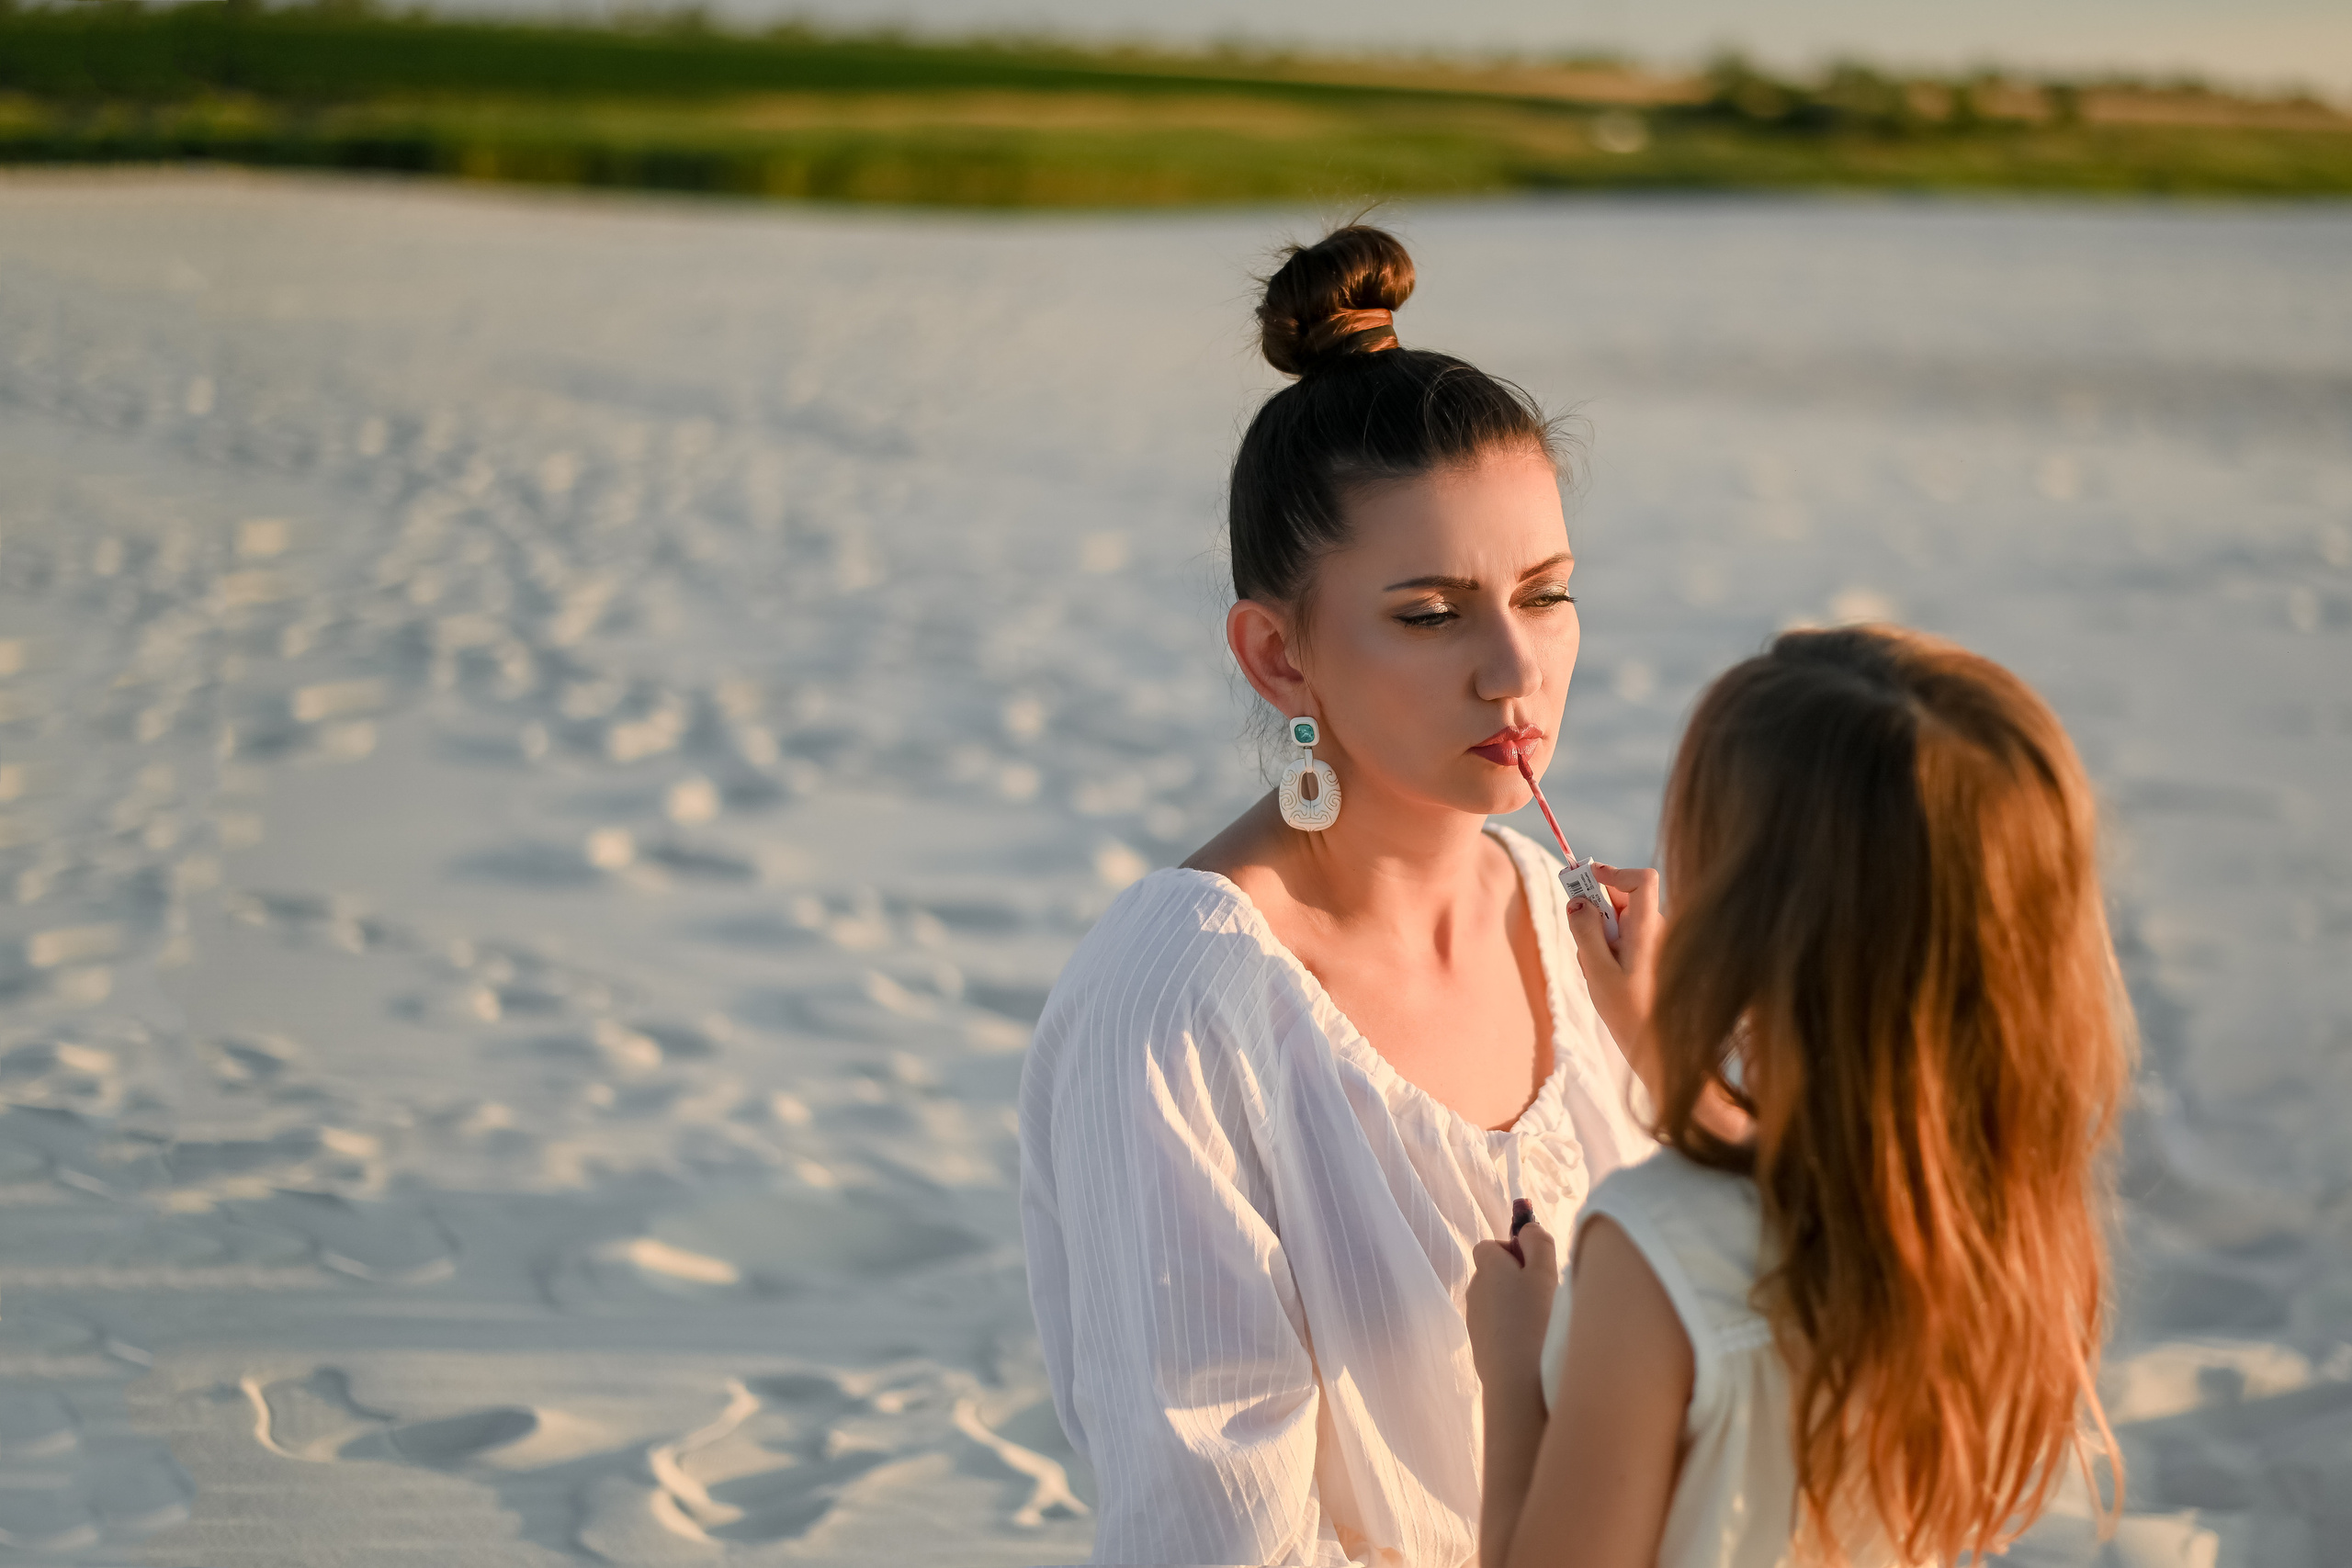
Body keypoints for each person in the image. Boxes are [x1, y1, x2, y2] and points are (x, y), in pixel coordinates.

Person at [1018, 224, 1653, 1567]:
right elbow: (1212, 1527)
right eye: (1429, 613)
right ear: (1278, 655)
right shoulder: (1183, 993)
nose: (1511, 672)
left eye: (1547, 597)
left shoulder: (1586, 938)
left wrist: (1687, 1071)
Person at [1468, 626, 2132, 1568]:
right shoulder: (1991, 1220)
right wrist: (1664, 1051)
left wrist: (1509, 1365)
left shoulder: (1643, 1251)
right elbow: (1802, 1209)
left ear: (1743, 920)